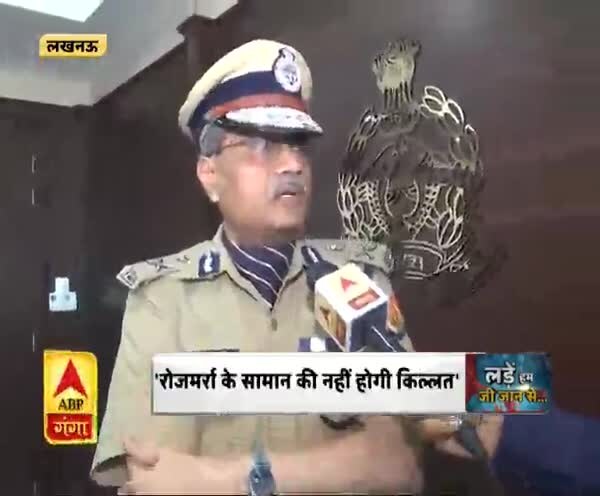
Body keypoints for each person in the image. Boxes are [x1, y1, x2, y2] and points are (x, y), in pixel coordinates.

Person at [90, 39, 502, 495]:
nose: (292, 164)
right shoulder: (162, 299)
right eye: (260, 145)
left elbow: (396, 466)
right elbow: (156, 481)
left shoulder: (357, 280)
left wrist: (232, 477)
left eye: (298, 146)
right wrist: (348, 463)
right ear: (210, 174)